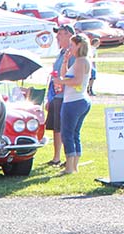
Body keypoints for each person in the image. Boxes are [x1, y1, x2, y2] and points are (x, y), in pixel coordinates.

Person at [53, 33, 92, 176]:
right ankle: (74, 166)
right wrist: (65, 61)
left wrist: (60, 82)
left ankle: (70, 166)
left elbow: (77, 81)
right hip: (76, 100)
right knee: (75, 134)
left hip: (74, 101)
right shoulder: (77, 61)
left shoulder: (82, 61)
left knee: (67, 133)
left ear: (79, 45)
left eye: (72, 45)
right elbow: (65, 75)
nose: (70, 48)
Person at [46, 25, 76, 167]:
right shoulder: (62, 53)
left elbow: (72, 76)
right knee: (56, 128)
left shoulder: (73, 54)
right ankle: (56, 157)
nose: (57, 37)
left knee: (65, 128)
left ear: (69, 35)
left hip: (66, 96)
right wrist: (49, 97)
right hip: (56, 96)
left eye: (60, 34)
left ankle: (68, 158)